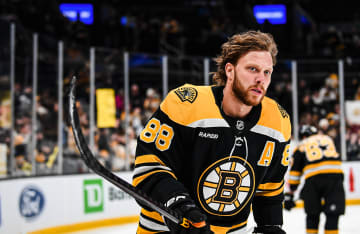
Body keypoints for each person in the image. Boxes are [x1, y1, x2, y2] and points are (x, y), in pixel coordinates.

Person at [132, 31, 291, 233]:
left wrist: (270, 226)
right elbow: (149, 170)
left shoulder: (278, 121)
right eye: (252, 69)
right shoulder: (186, 103)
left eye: (267, 72)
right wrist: (180, 206)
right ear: (230, 70)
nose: (261, 79)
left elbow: (270, 188)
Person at [284, 125, 345, 234]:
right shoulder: (327, 139)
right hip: (335, 177)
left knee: (312, 215)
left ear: (303, 136)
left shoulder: (301, 145)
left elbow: (294, 172)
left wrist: (291, 192)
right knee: (332, 215)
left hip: (313, 180)